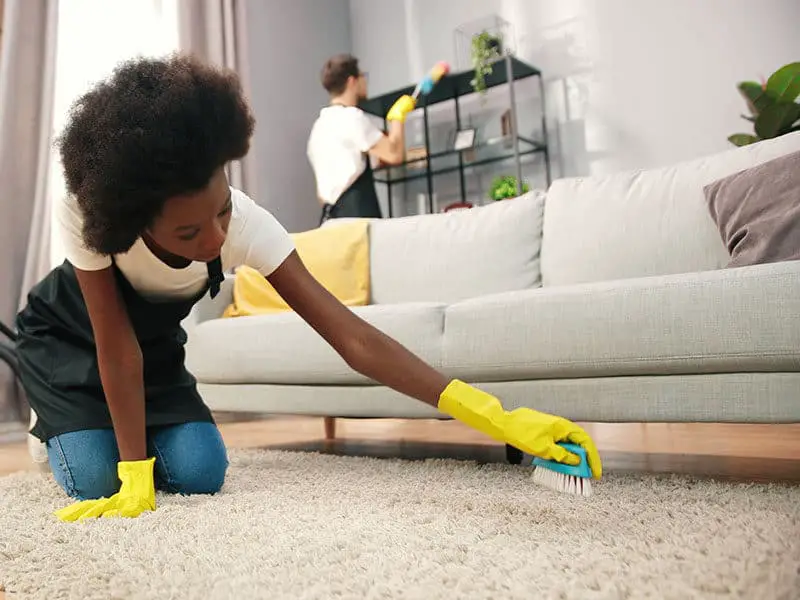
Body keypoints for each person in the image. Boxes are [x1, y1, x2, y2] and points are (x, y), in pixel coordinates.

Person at [15, 54, 601, 522]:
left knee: (199, 473)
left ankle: (110, 437)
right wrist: (135, 475)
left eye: (221, 212)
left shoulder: (244, 226)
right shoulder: (89, 212)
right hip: (73, 341)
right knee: (96, 477)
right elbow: (117, 348)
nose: (216, 237)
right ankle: (59, 429)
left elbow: (353, 338)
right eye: (189, 230)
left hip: (151, 355)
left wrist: (498, 416)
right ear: (137, 218)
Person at [307, 54, 413, 224]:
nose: (365, 82)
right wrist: (397, 117)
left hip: (330, 221)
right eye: (363, 76)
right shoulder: (351, 117)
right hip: (358, 218)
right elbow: (395, 154)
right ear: (352, 81)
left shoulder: (318, 128)